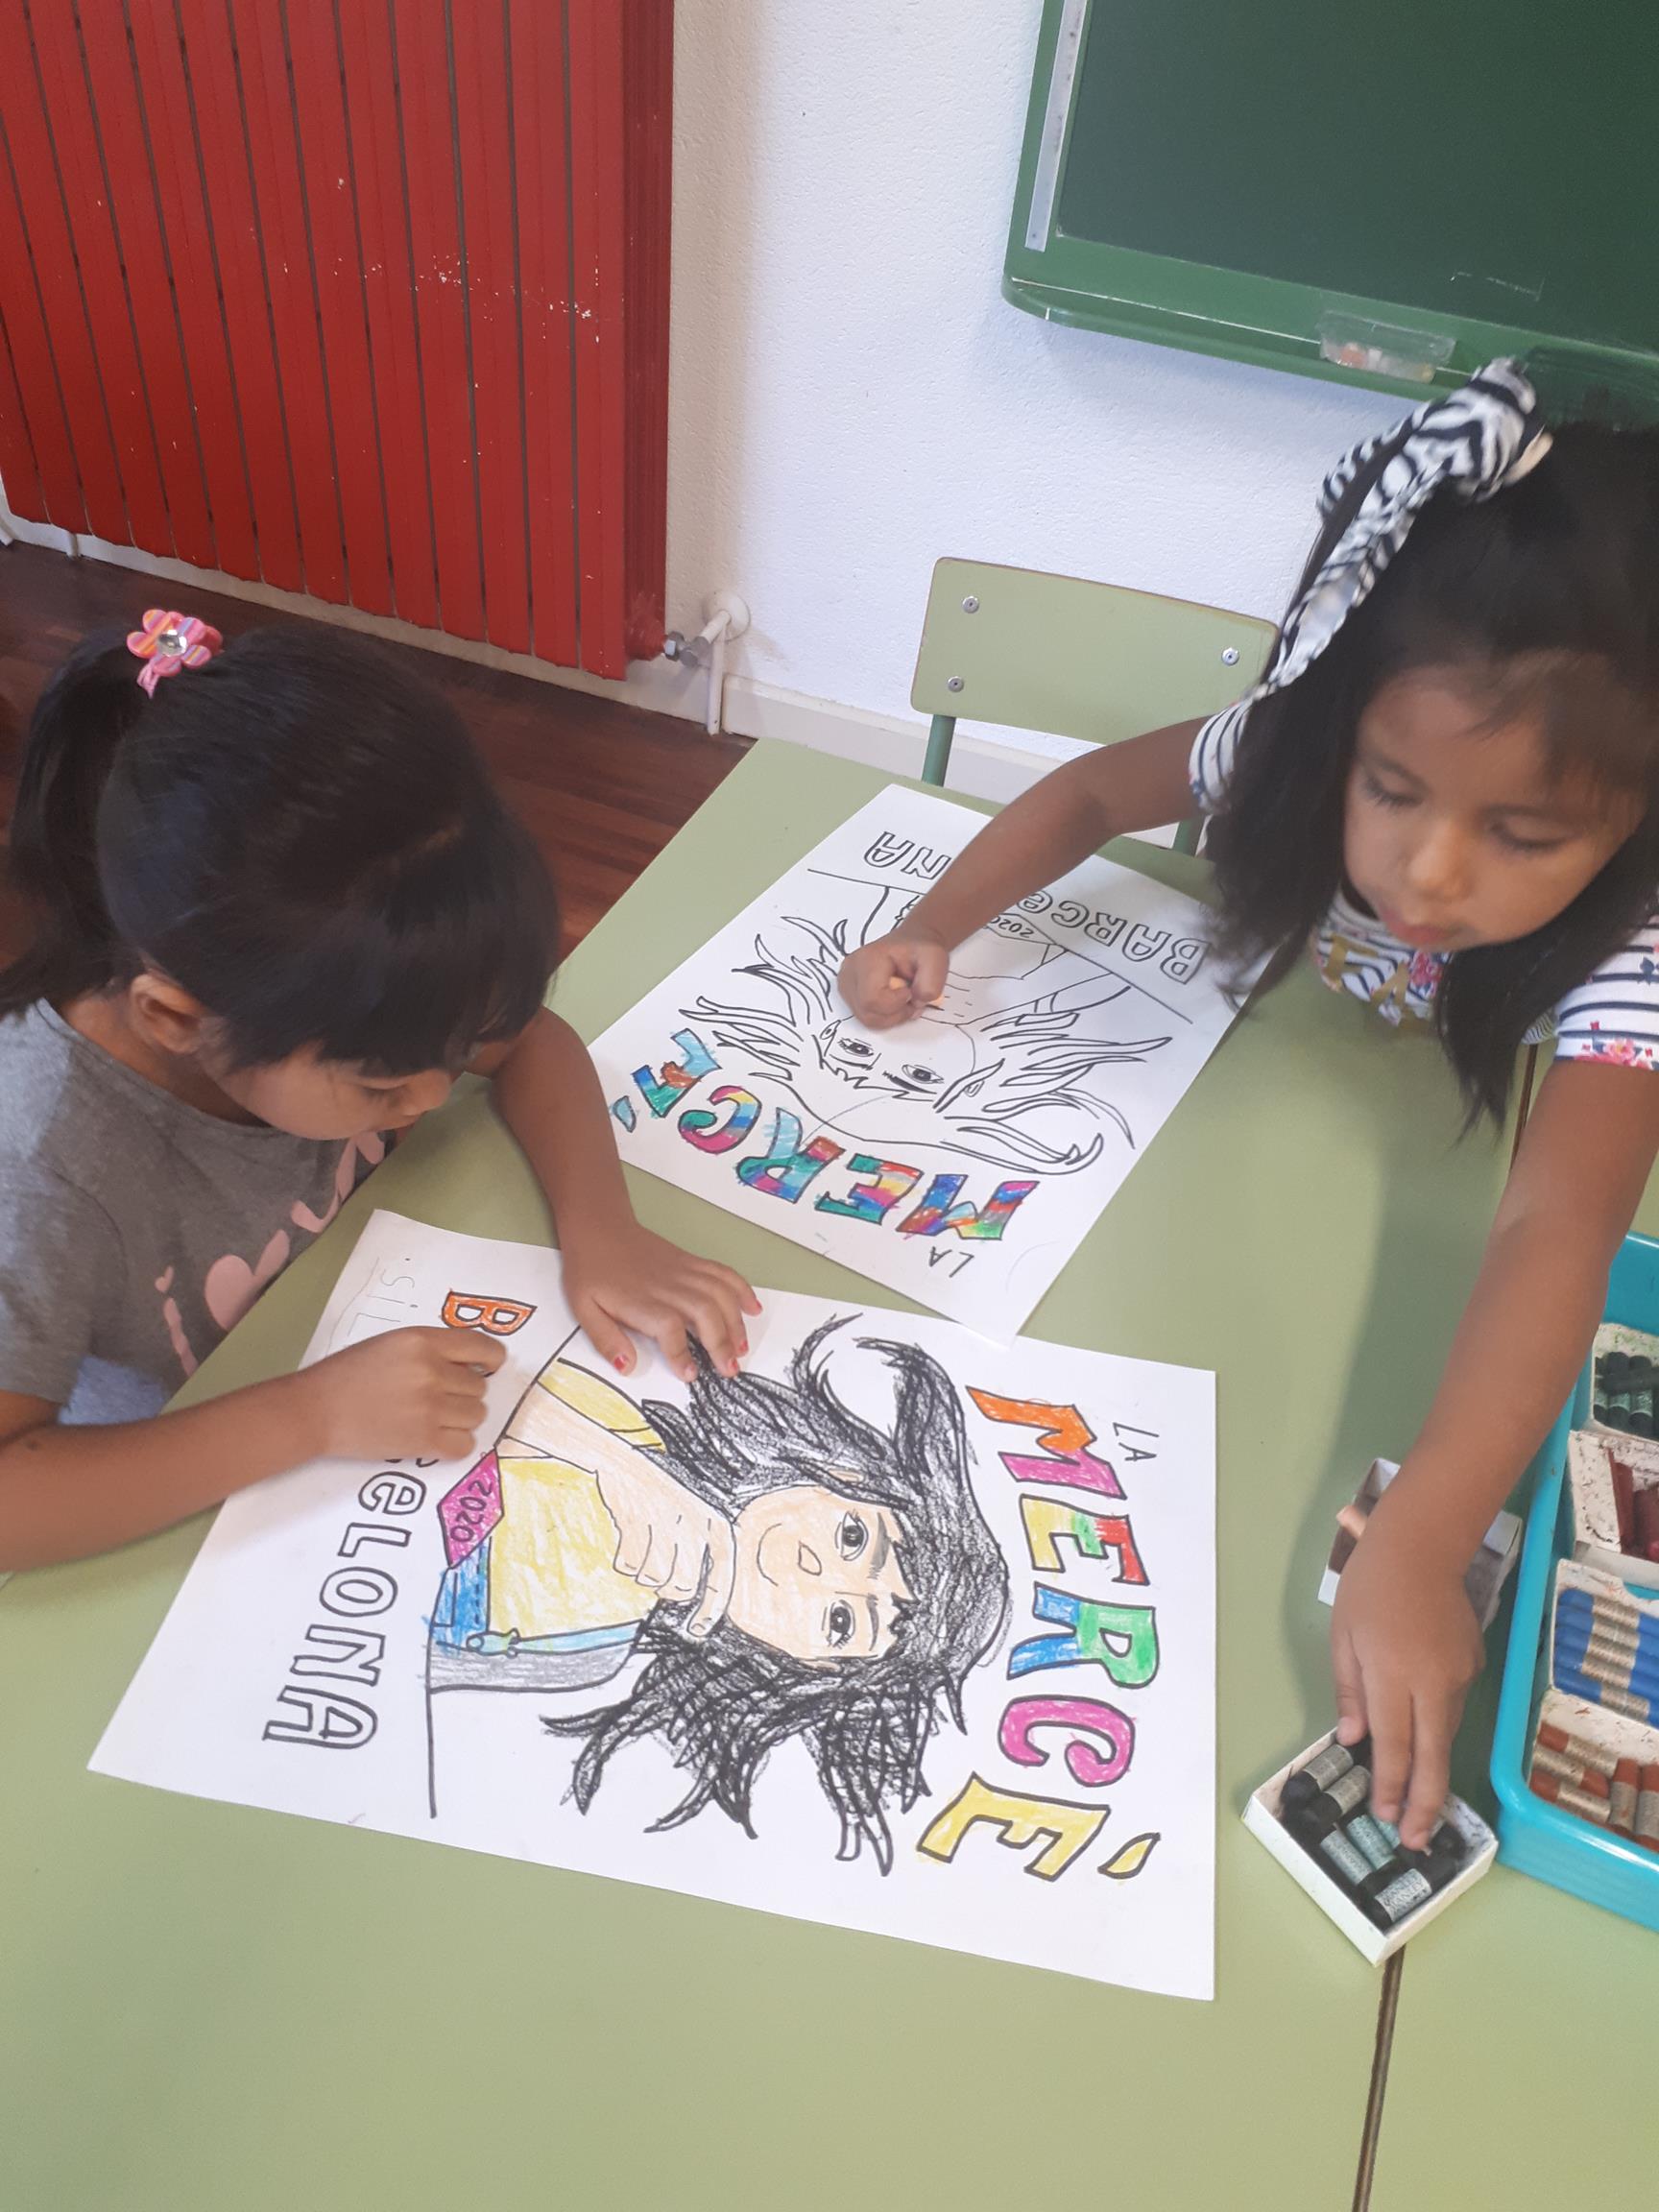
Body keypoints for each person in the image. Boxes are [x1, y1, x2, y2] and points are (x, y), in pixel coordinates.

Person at [838, 363, 1659, 1849]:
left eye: (1525, 833)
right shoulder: (1287, 753)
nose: (1429, 874)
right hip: (1200, 1142)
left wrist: (1425, 1535)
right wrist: (936, 922)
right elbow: (1093, 796)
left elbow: (1556, 1226)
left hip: (1389, 1180)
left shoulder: (1634, 953)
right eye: (1392, 789)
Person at [0, 615, 757, 1570]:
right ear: (177, 1020)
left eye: (451, 1055)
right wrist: (309, 1415)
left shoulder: (345, 983)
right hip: (188, 1516)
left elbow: (531, 1042)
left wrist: (603, 1229)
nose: (435, 1097)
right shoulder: (39, 1169)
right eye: (384, 1085)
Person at [429, 1320, 1010, 1869]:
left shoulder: (587, 1655)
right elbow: (465, 1382)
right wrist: (616, 1463)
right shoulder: (621, 1430)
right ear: (844, 1482)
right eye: (853, 1538)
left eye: (840, 1620)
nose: (812, 1568)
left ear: (806, 1669)